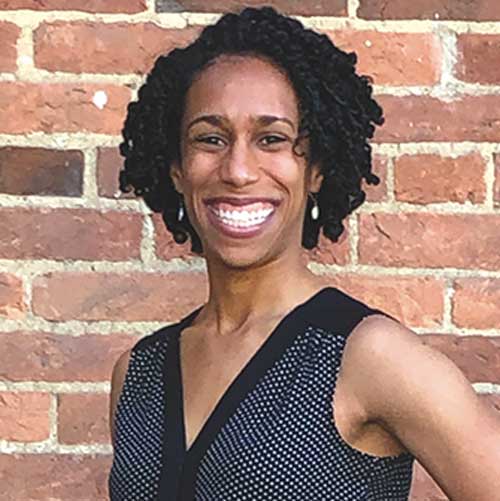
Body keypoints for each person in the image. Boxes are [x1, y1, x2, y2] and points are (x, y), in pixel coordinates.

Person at [108, 6, 500, 500]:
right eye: (210, 139)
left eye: (272, 139)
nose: (239, 170)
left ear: (315, 170)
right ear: (176, 169)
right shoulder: (140, 373)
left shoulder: (366, 357)